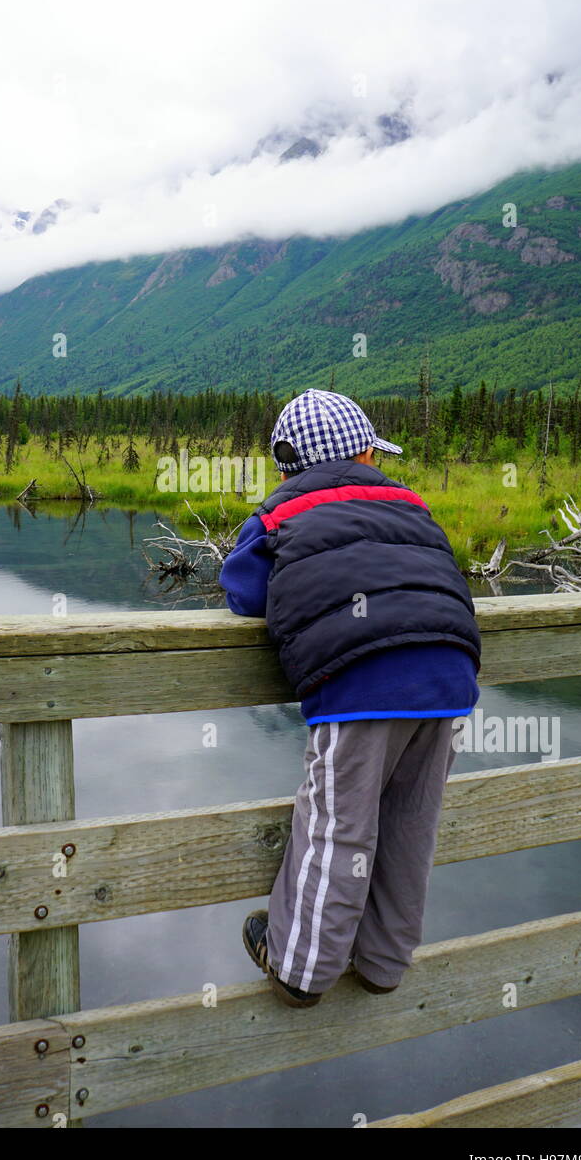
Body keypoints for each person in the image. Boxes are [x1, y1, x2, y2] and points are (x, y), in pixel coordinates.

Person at [218, 388, 481, 1007]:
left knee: (336, 826)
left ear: (287, 466)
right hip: (448, 675)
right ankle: (384, 964)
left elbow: (242, 592)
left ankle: (300, 970)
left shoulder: (279, 514)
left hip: (362, 684)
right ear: (364, 452)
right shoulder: (410, 503)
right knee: (411, 822)